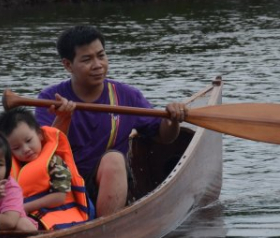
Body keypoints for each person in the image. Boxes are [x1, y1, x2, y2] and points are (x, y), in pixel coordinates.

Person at [35, 25, 188, 217]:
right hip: (62, 183)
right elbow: (44, 153)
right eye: (87, 59)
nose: (98, 65)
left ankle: (105, 227)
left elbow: (163, 136)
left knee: (114, 159)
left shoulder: (126, 96)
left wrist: (172, 120)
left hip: (104, 183)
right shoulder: (49, 98)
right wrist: (63, 119)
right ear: (67, 65)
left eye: (101, 55)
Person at [0, 107, 92, 230]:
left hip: (57, 216)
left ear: (40, 134)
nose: (25, 149)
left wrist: (23, 208)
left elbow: (60, 197)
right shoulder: (9, 168)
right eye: (16, 148)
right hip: (28, 216)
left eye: (29, 141)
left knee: (20, 224)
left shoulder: (55, 161)